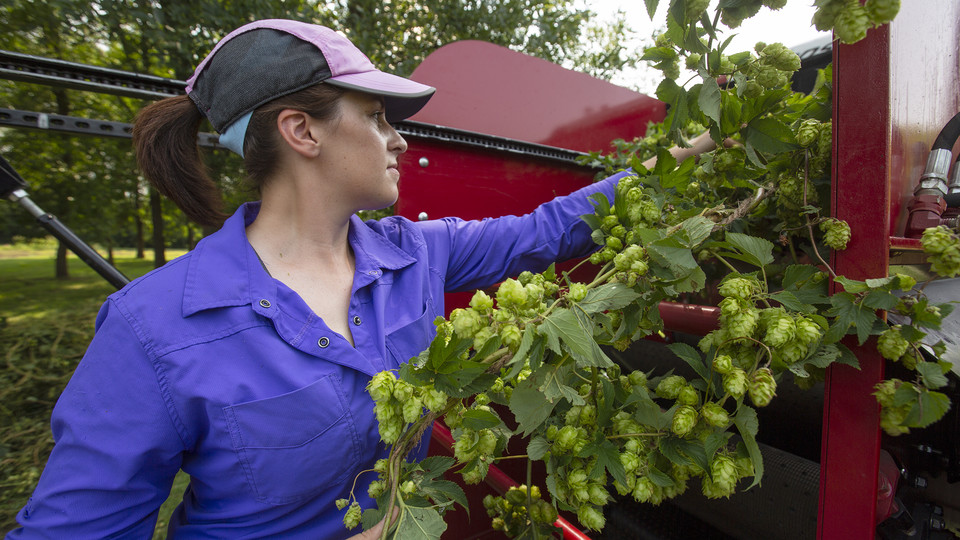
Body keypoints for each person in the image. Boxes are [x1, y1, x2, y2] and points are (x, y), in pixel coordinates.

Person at [7, 19, 714, 539]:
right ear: (302, 132)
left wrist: (697, 153)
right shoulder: (152, 328)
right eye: (377, 118)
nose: (401, 139)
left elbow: (549, 229)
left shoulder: (416, 255)